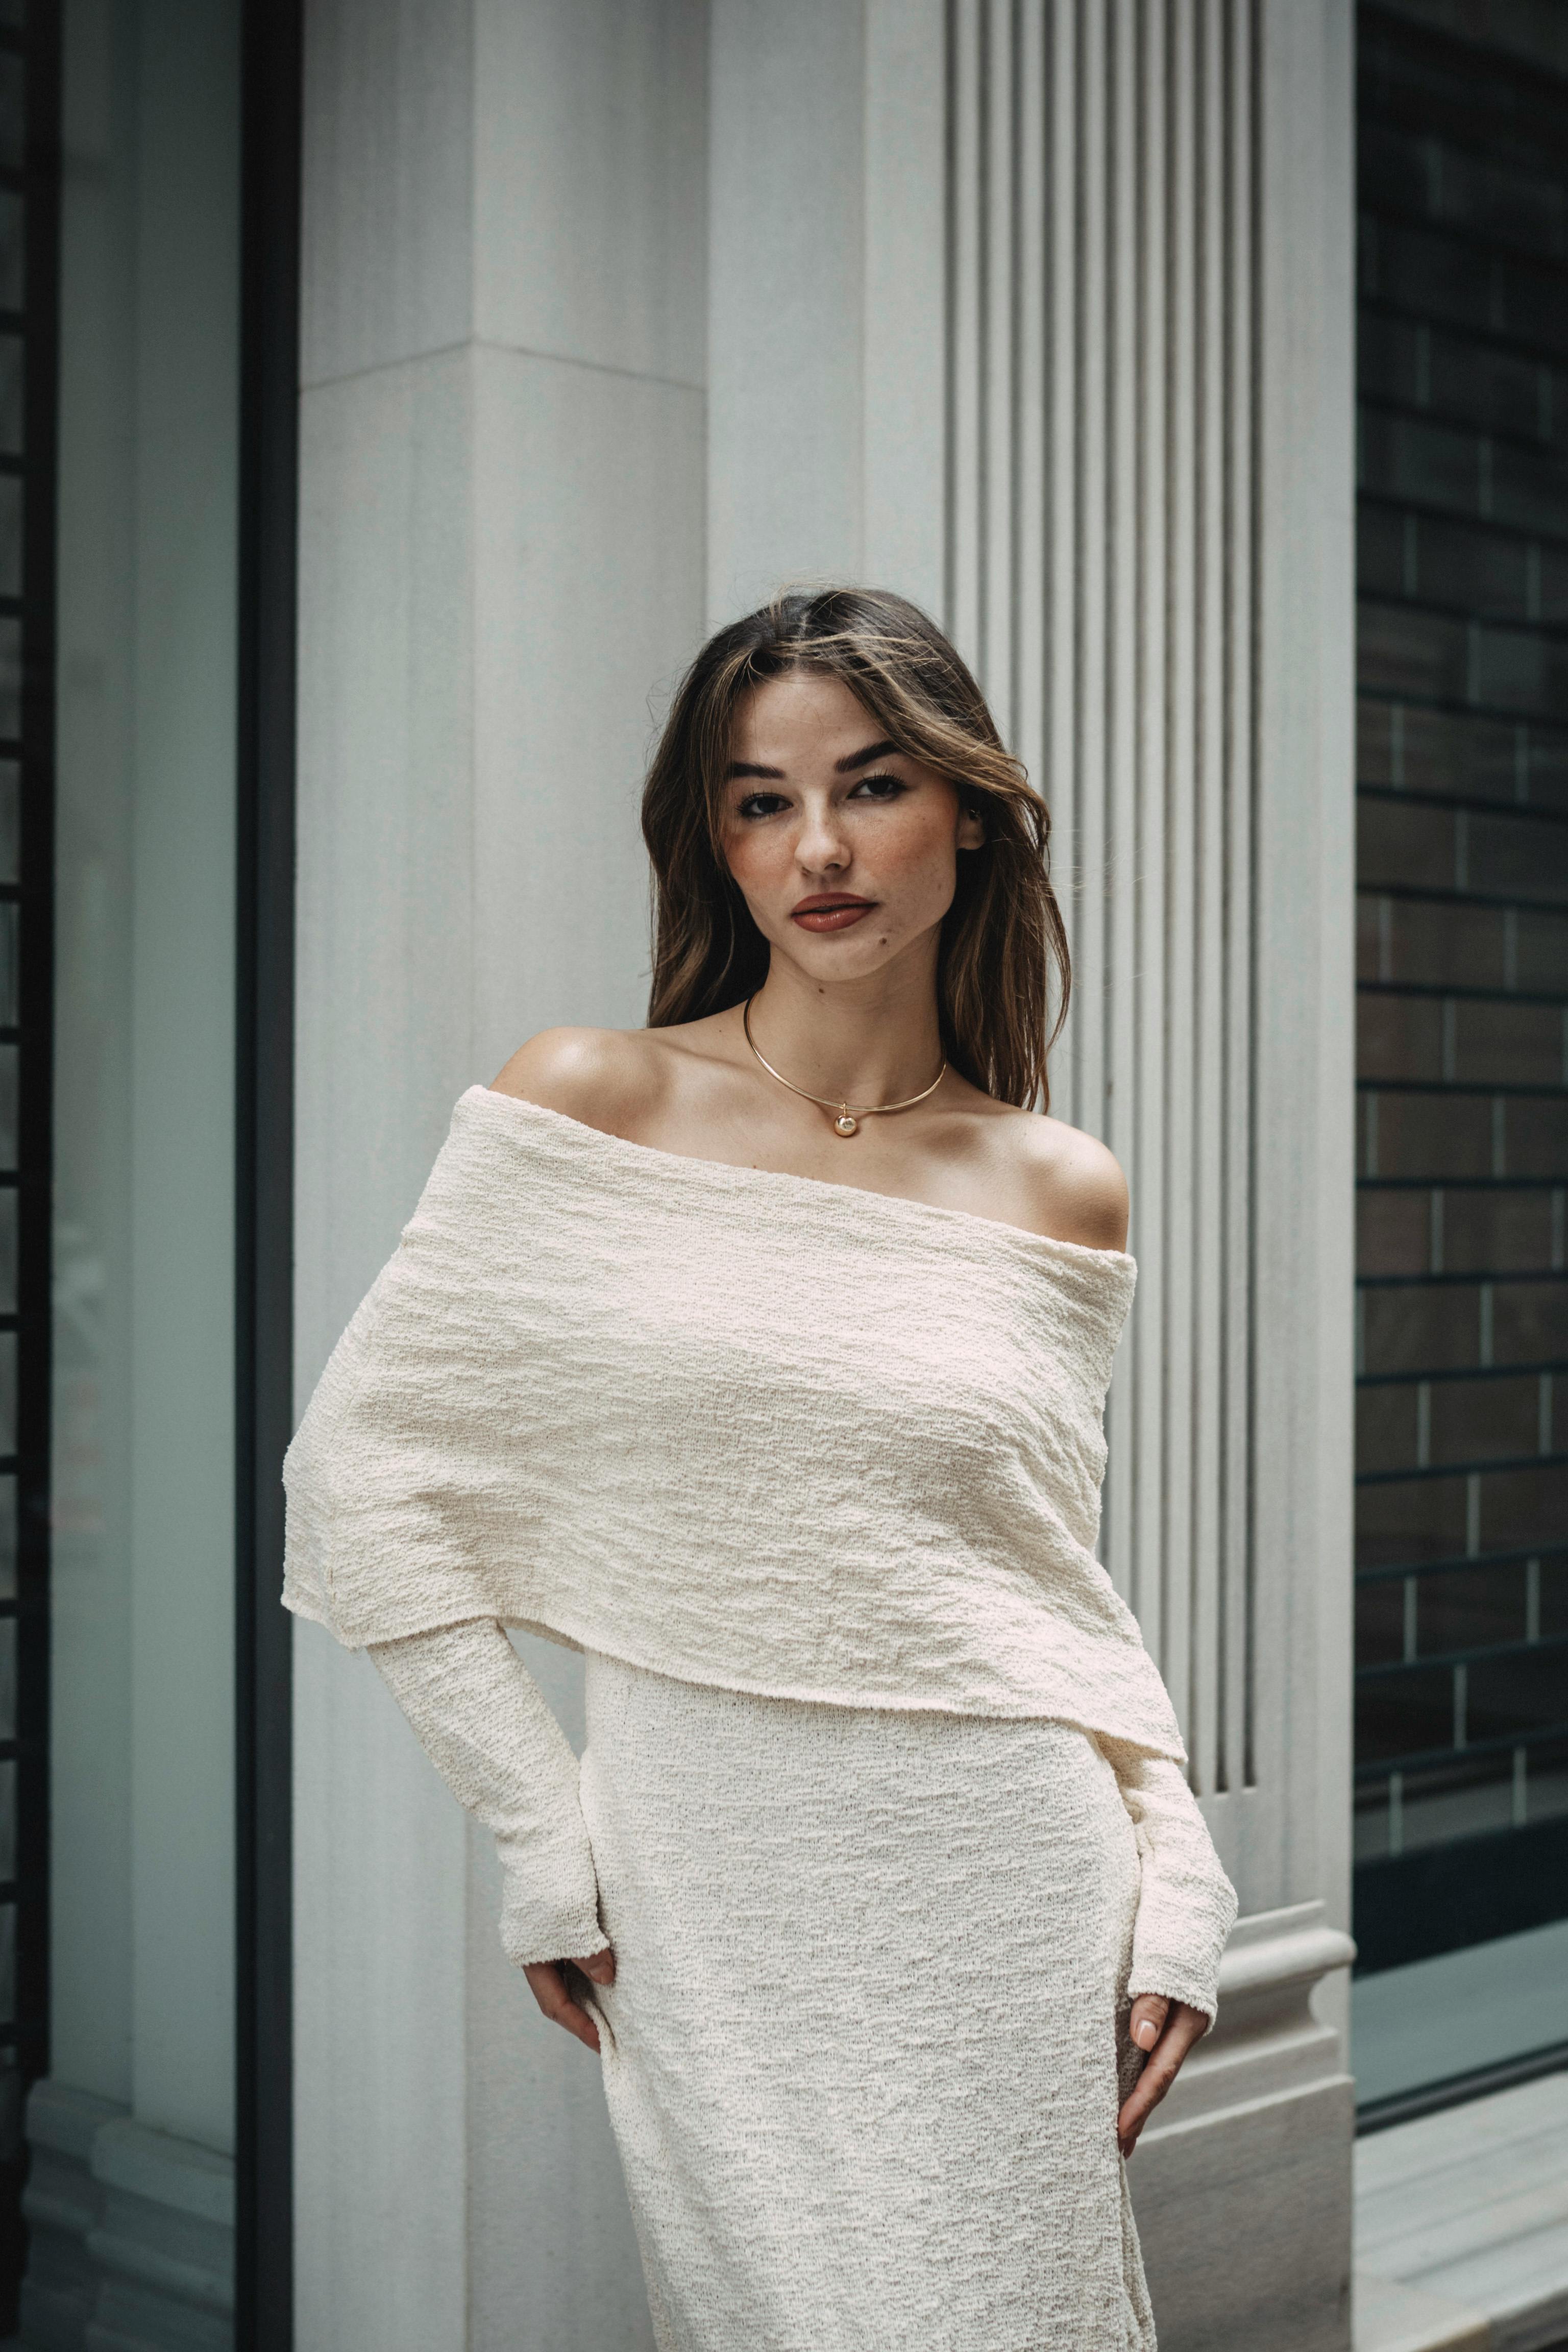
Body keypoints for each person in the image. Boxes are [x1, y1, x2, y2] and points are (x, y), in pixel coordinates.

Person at [283, 586, 1238, 2350]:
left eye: (871, 785)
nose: (820, 848)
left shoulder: (1060, 1186)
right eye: (760, 801)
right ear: (712, 842)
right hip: (708, 1886)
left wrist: (1181, 1871)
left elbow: (1048, 1595)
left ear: (969, 812)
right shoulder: (590, 1099)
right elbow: (360, 1483)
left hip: (1004, 1876)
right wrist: (541, 1829)